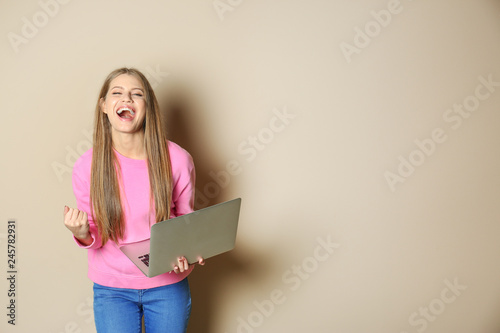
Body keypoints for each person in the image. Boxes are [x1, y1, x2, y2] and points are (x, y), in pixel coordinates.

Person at [63, 67, 204, 333]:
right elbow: (94, 233)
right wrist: (82, 233)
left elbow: (185, 222)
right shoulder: (86, 167)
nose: (126, 99)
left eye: (136, 94)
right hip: (112, 290)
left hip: (167, 287)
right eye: (117, 93)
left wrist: (191, 250)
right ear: (104, 106)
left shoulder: (178, 159)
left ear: (147, 107)